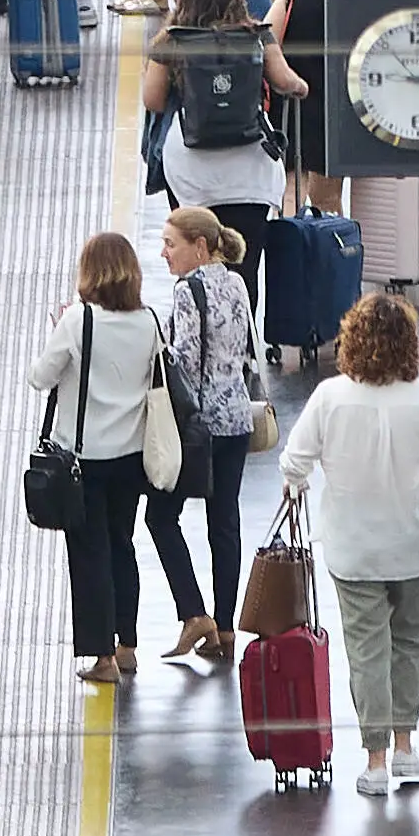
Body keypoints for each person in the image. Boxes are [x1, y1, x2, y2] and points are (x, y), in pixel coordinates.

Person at [274, 294, 419, 794]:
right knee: (409, 645)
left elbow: (293, 460)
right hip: (414, 545)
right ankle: (406, 748)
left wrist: (299, 484)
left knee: (367, 651)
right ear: (408, 344)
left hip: (353, 548)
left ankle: (375, 761)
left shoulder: (330, 397)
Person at [25, 231, 168, 683]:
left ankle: (101, 657)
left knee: (89, 555)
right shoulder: (149, 321)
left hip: (83, 462)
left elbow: (39, 377)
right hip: (131, 457)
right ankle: (127, 644)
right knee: (122, 547)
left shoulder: (78, 321)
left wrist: (58, 330)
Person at [142, 204, 263, 663]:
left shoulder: (187, 291)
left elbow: (186, 361)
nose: (164, 253)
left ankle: (194, 614)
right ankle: (226, 626)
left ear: (199, 246)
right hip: (236, 418)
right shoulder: (236, 282)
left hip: (200, 425)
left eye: (171, 244)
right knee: (224, 522)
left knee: (160, 517)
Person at [148, 0, 296, 252]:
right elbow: (286, 82)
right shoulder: (255, 34)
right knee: (246, 263)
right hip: (249, 172)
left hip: (190, 173)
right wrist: (303, 87)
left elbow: (152, 99)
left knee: (196, 262)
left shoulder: (172, 40)